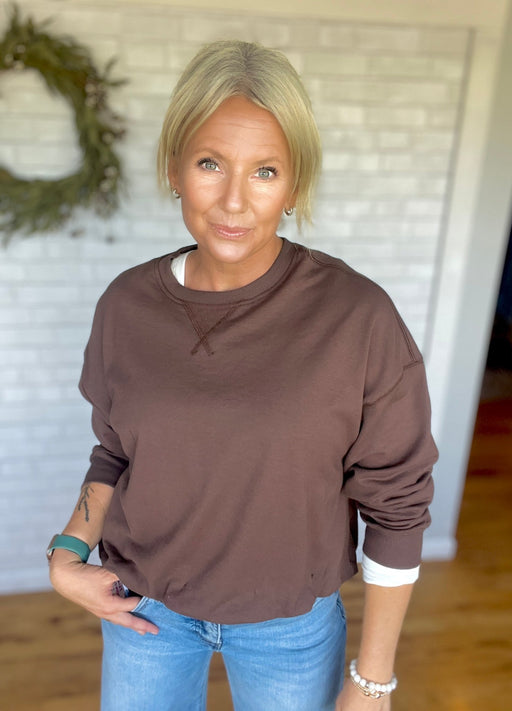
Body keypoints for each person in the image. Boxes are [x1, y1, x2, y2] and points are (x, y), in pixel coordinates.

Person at [48, 40, 438, 711]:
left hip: (289, 628)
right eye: (210, 163)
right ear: (173, 168)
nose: (234, 200)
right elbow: (115, 452)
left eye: (265, 171)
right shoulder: (126, 305)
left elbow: (397, 504)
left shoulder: (357, 316)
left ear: (294, 185)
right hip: (145, 611)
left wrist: (372, 678)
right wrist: (66, 553)